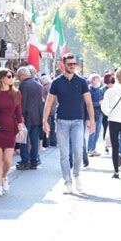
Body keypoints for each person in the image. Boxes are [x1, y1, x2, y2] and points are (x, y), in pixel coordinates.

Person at [43, 53, 96, 194]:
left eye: (74, 64)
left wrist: (92, 121)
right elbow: (48, 103)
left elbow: (89, 102)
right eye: (70, 64)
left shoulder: (82, 81)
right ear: (63, 64)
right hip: (61, 122)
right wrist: (44, 121)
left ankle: (77, 175)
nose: (72, 66)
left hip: (78, 121)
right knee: (64, 155)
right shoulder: (56, 82)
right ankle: (67, 182)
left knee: (78, 152)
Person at [0, 69, 24, 197]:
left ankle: (4, 177)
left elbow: (18, 112)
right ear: (2, 78)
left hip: (11, 129)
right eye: (9, 76)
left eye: (12, 77)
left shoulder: (16, 93)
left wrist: (20, 127)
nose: (11, 79)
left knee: (8, 161)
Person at [16, 66, 43, 170]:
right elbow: (40, 102)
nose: (19, 78)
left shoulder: (24, 85)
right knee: (34, 140)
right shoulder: (38, 84)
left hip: (27, 116)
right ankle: (34, 161)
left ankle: (25, 161)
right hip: (37, 116)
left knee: (23, 139)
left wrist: (20, 117)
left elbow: (22, 103)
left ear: (22, 75)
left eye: (19, 76)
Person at [87, 74, 103, 157]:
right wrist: (98, 104)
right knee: (92, 133)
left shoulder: (99, 90)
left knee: (97, 133)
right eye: (97, 79)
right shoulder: (89, 90)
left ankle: (93, 148)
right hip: (92, 115)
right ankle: (90, 149)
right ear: (92, 80)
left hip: (99, 114)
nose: (99, 81)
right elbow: (88, 103)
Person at [40, 75, 57, 147]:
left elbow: (44, 99)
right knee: (53, 126)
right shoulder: (53, 85)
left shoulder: (44, 88)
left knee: (47, 126)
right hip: (55, 108)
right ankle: (54, 142)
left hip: (49, 109)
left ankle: (47, 142)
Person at [101, 72, 113, 152]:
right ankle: (106, 143)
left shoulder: (113, 89)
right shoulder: (102, 90)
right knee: (106, 128)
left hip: (111, 111)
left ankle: (109, 143)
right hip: (106, 112)